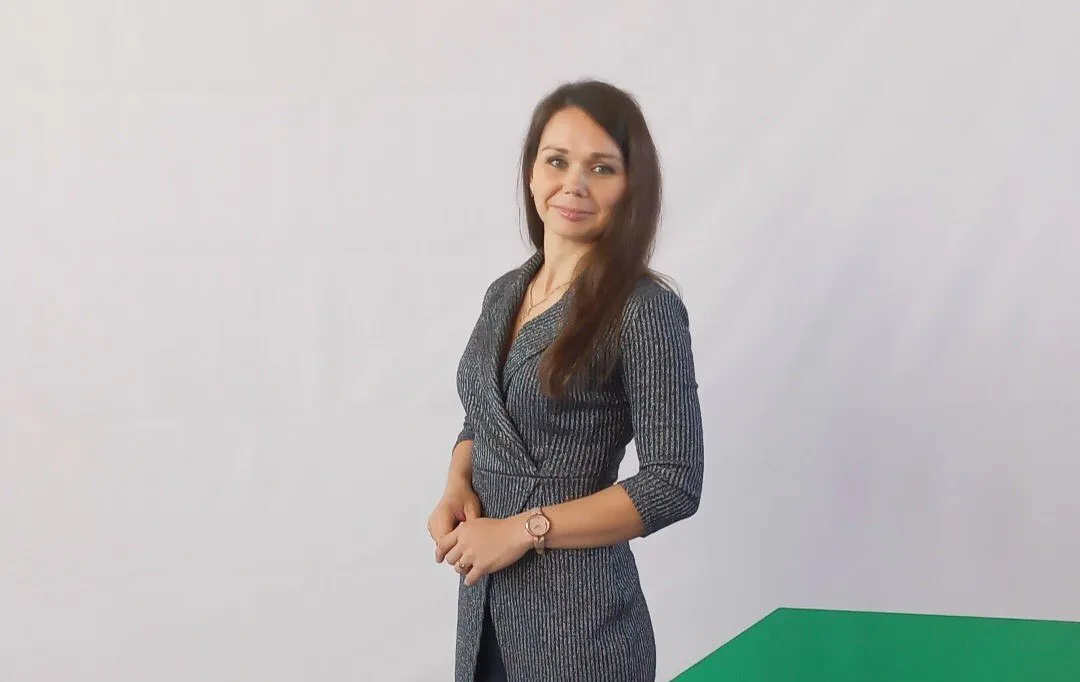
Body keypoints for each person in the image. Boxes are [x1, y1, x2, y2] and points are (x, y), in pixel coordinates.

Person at [426, 79, 705, 682]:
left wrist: (523, 531)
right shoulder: (505, 292)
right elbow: (483, 414)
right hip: (486, 610)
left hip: (582, 627)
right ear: (531, 172)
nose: (574, 184)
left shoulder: (643, 308)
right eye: (557, 161)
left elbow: (674, 482)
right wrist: (456, 483)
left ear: (631, 186)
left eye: (601, 168)